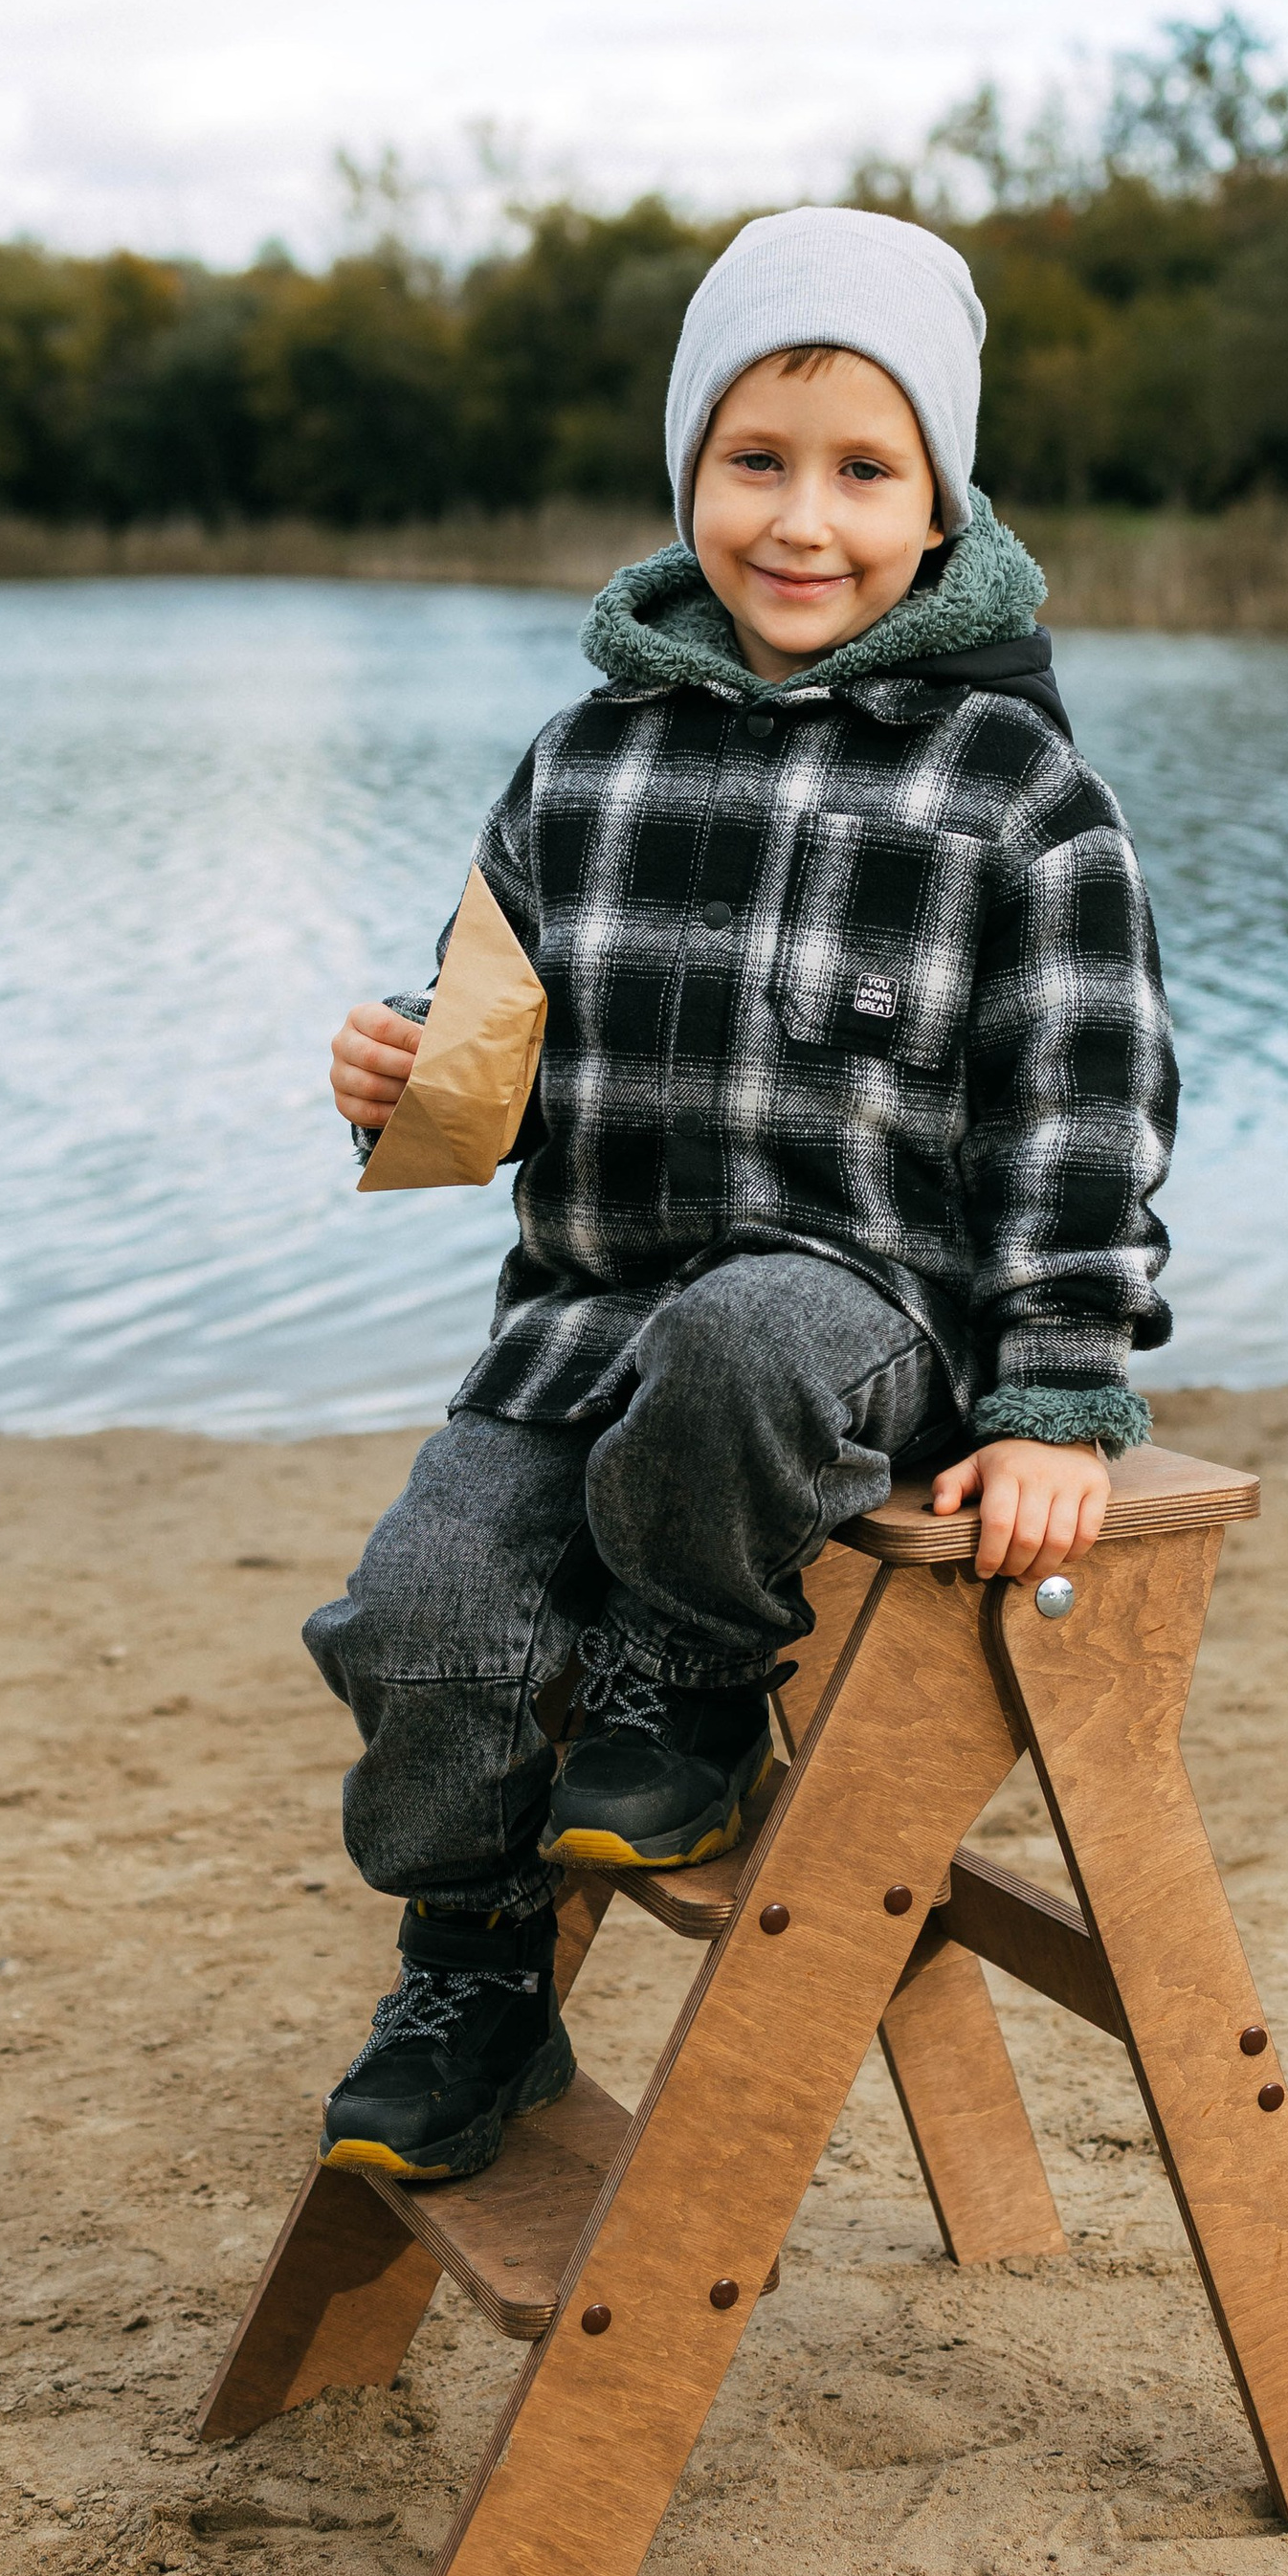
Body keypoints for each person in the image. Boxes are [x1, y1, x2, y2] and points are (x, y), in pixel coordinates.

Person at [307, 207, 1178, 2181]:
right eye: (753, 463)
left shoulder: (1012, 793)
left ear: (939, 509)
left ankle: (686, 1681)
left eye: (864, 472)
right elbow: (492, 1069)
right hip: (581, 1326)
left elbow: (1081, 1100)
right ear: (686, 477)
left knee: (744, 1335)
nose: (803, 520)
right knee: (422, 1607)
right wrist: (395, 1082)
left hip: (864, 1326)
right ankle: (471, 1977)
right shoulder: (578, 764)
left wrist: (1055, 1397)